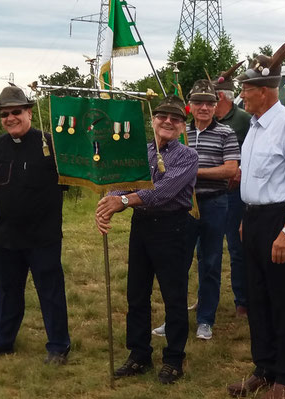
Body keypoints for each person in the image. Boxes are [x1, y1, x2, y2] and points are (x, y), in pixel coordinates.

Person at [227, 35, 285, 399]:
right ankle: (264, 367)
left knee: (282, 299)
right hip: (255, 219)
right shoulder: (254, 126)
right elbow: (255, 178)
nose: (242, 95)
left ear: (264, 90)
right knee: (258, 298)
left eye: (246, 89)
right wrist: (249, 216)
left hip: (282, 221)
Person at [95, 96, 198, 384]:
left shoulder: (188, 157)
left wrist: (123, 201)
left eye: (175, 119)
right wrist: (108, 202)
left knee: (173, 296)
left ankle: (174, 359)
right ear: (152, 120)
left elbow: (161, 191)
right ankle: (139, 355)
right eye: (162, 116)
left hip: (172, 228)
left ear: (181, 126)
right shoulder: (141, 151)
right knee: (136, 294)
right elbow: (123, 182)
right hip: (142, 226)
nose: (167, 121)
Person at [0, 86, 71, 364]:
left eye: (16, 111)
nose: (10, 117)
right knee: (6, 291)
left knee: (50, 292)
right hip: (5, 236)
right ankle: (2, 342)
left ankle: (58, 346)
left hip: (43, 236)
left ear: (29, 112)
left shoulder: (52, 145)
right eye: (5, 113)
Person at [185, 80, 240, 340]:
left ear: (216, 106)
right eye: (199, 102)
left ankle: (205, 319)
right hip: (182, 205)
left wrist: (194, 172)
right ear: (190, 106)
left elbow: (231, 169)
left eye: (209, 103)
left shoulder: (226, 132)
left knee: (210, 261)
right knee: (178, 262)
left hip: (215, 203)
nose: (204, 107)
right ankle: (174, 316)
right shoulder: (180, 132)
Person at [214, 61, 252, 318]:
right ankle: (208, 298)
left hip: (236, 192)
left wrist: (242, 172)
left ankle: (243, 299)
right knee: (207, 247)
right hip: (210, 192)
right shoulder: (205, 119)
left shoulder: (244, 119)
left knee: (237, 247)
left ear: (220, 96)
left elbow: (255, 153)